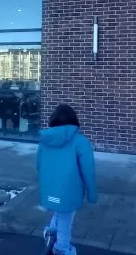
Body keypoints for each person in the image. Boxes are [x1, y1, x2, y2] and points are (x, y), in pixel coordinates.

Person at [37, 104, 98, 255]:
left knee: (59, 211)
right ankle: (61, 248)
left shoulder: (45, 139)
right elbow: (88, 170)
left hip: (50, 187)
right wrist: (92, 194)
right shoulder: (81, 141)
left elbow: (38, 164)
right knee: (65, 218)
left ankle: (51, 234)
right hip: (69, 189)